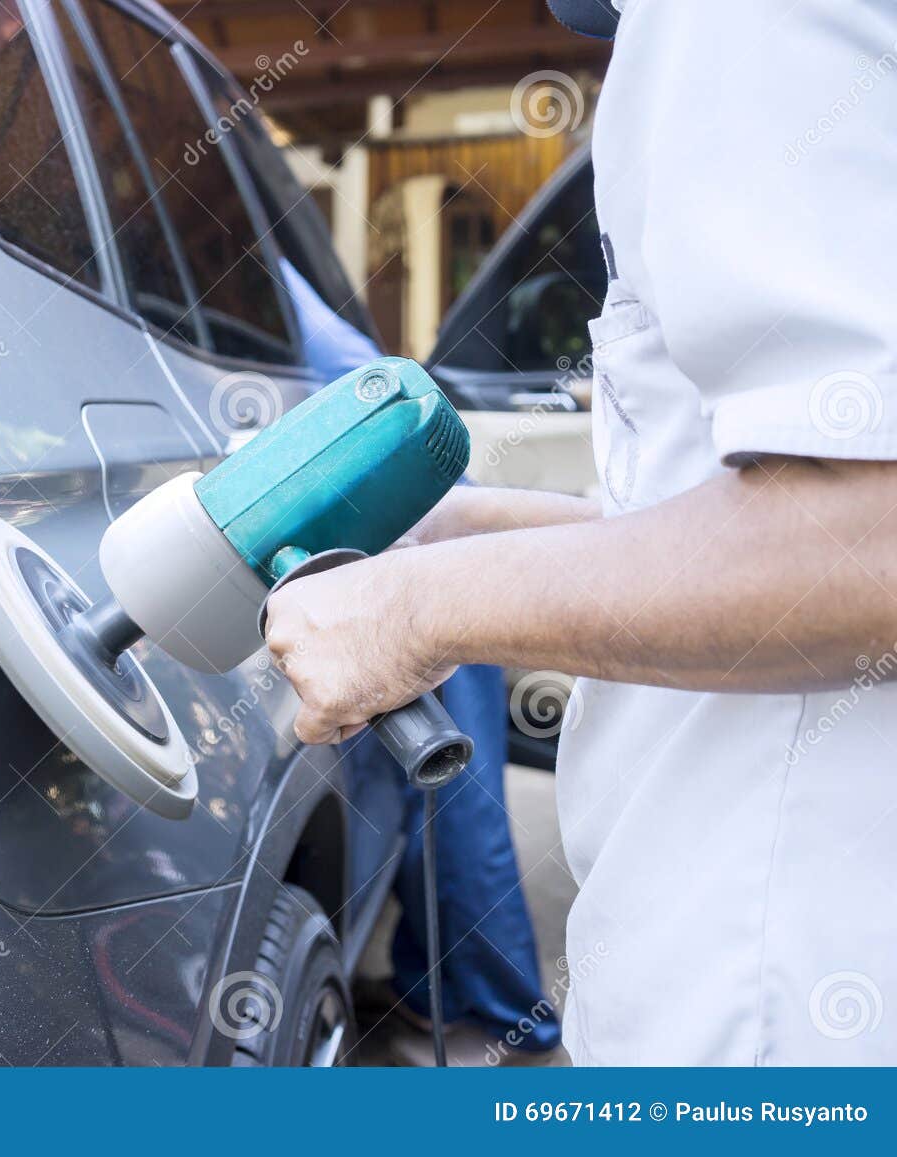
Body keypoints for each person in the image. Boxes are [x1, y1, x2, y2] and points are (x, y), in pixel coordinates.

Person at [265, 0, 897, 1064]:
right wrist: (469, 533)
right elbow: (742, 502)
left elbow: (863, 534)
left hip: (788, 992)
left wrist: (411, 612)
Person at [281, 261, 560, 1064]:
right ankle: (433, 989)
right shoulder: (278, 272)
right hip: (413, 507)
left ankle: (501, 1015)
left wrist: (428, 603)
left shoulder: (237, 263)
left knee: (455, 802)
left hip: (406, 514)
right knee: (449, 797)